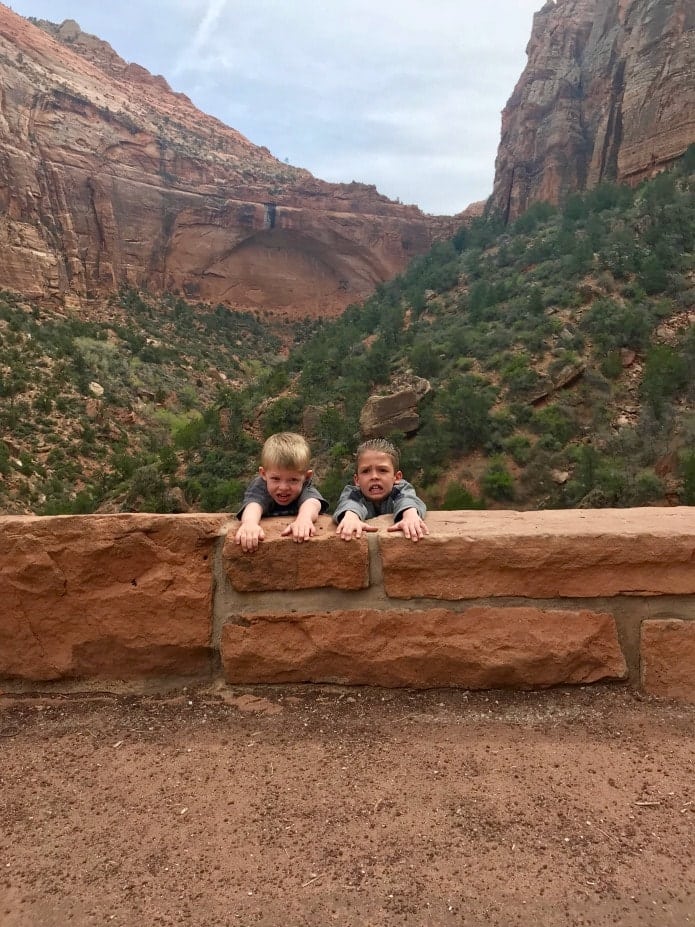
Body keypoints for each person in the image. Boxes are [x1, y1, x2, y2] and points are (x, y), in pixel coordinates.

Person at [235, 432, 328, 551]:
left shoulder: (305, 485)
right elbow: (253, 505)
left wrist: (304, 519)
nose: (283, 487)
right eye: (275, 479)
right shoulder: (260, 485)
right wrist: (249, 524)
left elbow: (313, 502)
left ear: (307, 477)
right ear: (263, 474)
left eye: (293, 480)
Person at [333, 438, 428, 542]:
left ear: (397, 477)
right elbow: (349, 503)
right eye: (366, 471)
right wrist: (351, 517)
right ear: (357, 480)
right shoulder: (354, 493)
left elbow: (407, 499)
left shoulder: (400, 489)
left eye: (382, 470)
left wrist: (409, 515)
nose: (374, 476)